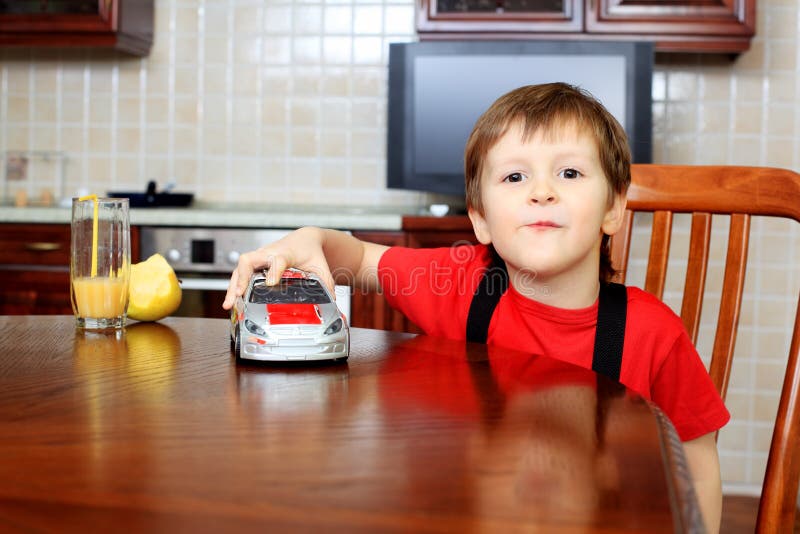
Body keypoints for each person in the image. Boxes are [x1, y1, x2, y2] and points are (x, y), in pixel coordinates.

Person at [223, 82, 729, 532]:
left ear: (614, 209)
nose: (542, 193)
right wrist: (307, 239)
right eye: (514, 178)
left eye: (569, 172)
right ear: (481, 220)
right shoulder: (459, 285)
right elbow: (353, 258)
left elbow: (696, 459)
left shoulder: (652, 333)